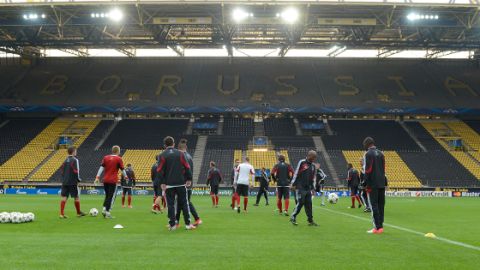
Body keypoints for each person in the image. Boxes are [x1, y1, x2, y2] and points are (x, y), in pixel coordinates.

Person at [156, 136, 195, 231]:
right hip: (181, 183)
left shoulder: (162, 155)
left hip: (169, 184)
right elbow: (187, 167)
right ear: (173, 144)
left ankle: (172, 225)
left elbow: (159, 170)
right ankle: (188, 224)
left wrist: (162, 182)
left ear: (165, 145)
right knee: (184, 203)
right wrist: (189, 178)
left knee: (170, 204)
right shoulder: (180, 154)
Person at [95, 145, 128, 219]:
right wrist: (126, 177)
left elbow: (101, 168)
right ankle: (107, 212)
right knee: (111, 196)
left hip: (105, 180)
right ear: (118, 151)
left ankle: (104, 209)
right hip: (113, 180)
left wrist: (97, 177)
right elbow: (122, 169)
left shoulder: (106, 157)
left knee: (107, 195)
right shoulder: (119, 159)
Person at [363, 137, 387, 234]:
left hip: (373, 183)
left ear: (367, 144)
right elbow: (383, 169)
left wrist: (365, 183)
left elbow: (368, 170)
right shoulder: (381, 153)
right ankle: (380, 226)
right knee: (381, 205)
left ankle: (376, 228)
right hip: (381, 182)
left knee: (374, 205)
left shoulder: (368, 154)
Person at [175, 139, 202, 227]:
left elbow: (183, 170)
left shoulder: (182, 156)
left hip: (183, 183)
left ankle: (197, 218)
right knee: (180, 202)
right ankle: (177, 222)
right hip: (189, 183)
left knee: (185, 202)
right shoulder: (189, 156)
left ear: (178, 148)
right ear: (185, 147)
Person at [290, 150, 318, 226]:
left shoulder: (313, 166)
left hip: (308, 188)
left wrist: (313, 189)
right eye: (313, 157)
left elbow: (313, 178)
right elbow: (296, 173)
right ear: (309, 155)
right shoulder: (302, 162)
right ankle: (293, 216)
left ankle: (310, 220)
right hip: (300, 187)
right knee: (301, 202)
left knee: (309, 204)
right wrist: (292, 183)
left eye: (315, 157)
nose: (314, 159)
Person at [59, 146, 85, 218]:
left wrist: (64, 178)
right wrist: (78, 180)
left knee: (64, 197)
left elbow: (62, 171)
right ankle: (78, 213)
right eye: (75, 151)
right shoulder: (75, 160)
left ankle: (61, 214)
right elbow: (76, 171)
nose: (76, 152)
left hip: (65, 182)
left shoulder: (65, 160)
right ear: (73, 152)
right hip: (73, 182)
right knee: (76, 197)